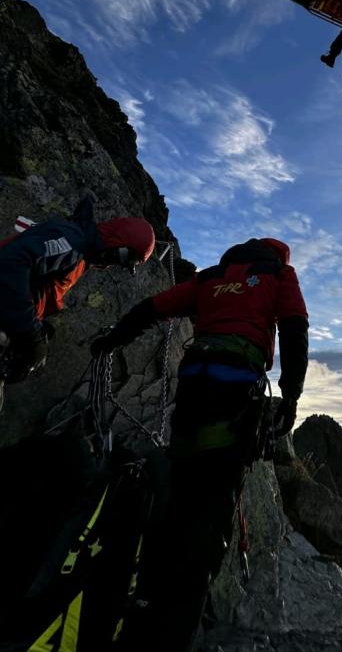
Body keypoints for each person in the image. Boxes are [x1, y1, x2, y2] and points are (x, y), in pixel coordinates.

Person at [91, 236, 309, 652]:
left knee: (179, 490)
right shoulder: (280, 275)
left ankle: (144, 597)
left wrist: (114, 339)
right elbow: (295, 328)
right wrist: (291, 397)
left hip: (192, 389)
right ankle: (178, 622)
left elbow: (152, 308)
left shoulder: (212, 277)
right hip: (237, 393)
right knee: (214, 503)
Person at [0, 196, 155, 412]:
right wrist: (30, 333)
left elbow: (35, 282)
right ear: (118, 243)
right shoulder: (72, 241)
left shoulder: (81, 253)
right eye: (123, 258)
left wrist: (36, 325)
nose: (114, 265)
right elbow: (10, 263)